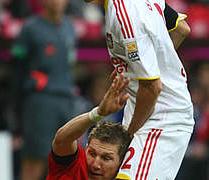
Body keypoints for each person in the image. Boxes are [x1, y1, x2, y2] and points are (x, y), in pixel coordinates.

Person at [84, 0, 194, 179]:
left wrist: (127, 136)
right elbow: (181, 29)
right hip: (144, 112)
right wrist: (140, 65)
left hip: (162, 117)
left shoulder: (125, 14)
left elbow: (152, 88)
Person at [11, 0, 77, 179]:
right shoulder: (30, 28)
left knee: (68, 161)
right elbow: (17, 68)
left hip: (66, 100)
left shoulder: (70, 27)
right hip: (40, 101)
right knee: (36, 159)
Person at [47, 73, 131, 180]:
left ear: (122, 162)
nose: (95, 165)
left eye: (106, 158)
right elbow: (61, 139)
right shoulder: (72, 168)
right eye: (91, 154)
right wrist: (98, 113)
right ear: (86, 148)